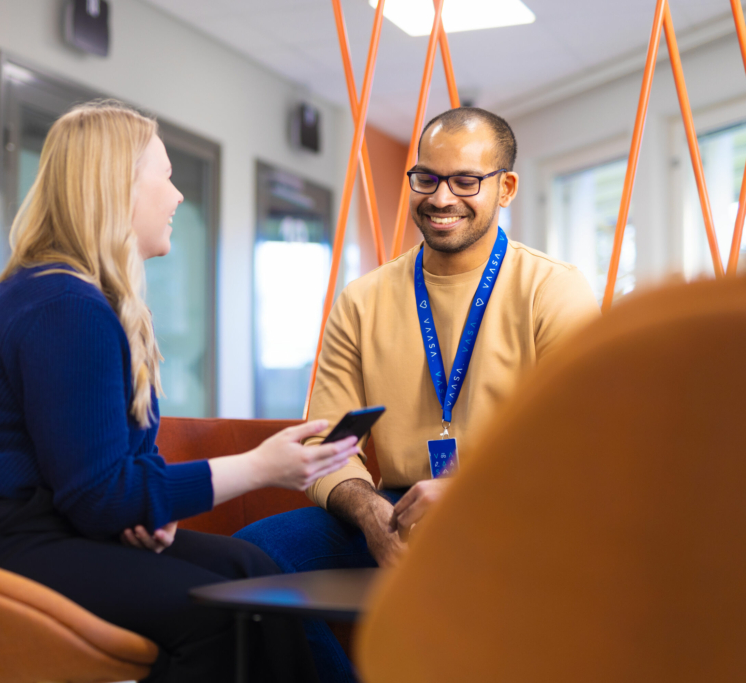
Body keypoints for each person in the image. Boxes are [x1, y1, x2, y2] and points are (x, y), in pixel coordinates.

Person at [0, 101, 360, 683]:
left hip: (35, 519)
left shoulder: (88, 302)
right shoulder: (63, 305)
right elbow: (101, 496)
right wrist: (263, 466)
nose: (179, 195)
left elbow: (112, 471)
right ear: (119, 190)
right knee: (223, 614)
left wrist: (146, 508)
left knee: (253, 568)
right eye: (165, 176)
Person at [234, 107, 600, 682]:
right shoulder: (363, 300)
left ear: (505, 187)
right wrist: (373, 515)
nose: (441, 197)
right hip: (395, 511)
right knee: (248, 561)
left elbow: (583, 443)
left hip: (515, 512)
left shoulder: (554, 289)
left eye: (465, 181)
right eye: (426, 178)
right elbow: (333, 443)